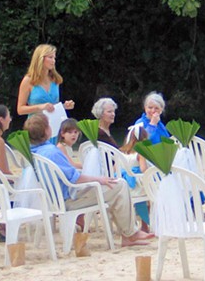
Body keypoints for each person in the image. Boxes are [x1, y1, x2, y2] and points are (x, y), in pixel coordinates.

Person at [25, 113, 154, 246]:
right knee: (119, 184)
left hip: (52, 200)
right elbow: (75, 178)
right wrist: (99, 179)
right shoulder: (51, 152)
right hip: (69, 199)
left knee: (114, 189)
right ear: (47, 130)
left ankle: (128, 233)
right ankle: (130, 233)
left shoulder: (33, 152)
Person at [92, 97, 149, 228]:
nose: (113, 114)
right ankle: (146, 223)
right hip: (110, 173)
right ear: (101, 114)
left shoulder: (104, 131)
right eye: (109, 112)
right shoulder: (99, 133)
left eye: (113, 111)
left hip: (116, 170)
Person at [17, 44, 75, 142]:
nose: (53, 61)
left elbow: (53, 106)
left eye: (54, 58)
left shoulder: (55, 80)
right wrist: (40, 107)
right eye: (50, 57)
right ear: (40, 59)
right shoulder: (28, 81)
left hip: (54, 125)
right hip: (36, 127)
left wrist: (64, 106)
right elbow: (20, 109)